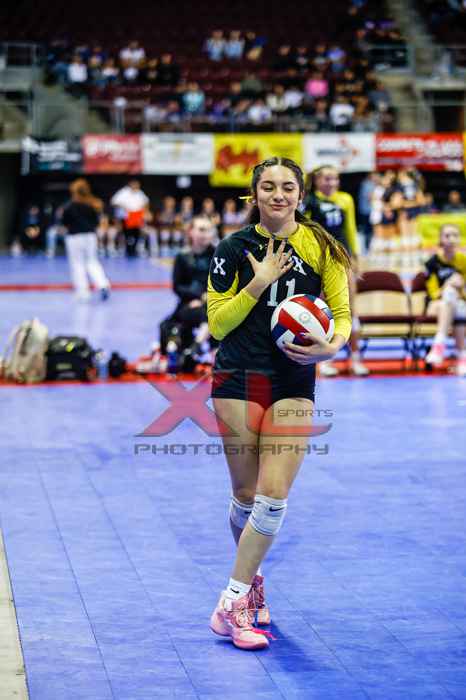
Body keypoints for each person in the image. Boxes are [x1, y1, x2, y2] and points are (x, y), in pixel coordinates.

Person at [207, 157, 351, 650]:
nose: (278, 195)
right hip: (238, 377)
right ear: (254, 195)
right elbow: (217, 325)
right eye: (267, 187)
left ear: (300, 195)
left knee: (273, 498)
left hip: (293, 378)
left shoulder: (322, 246)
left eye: (287, 186)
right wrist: (258, 281)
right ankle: (251, 586)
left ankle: (230, 603)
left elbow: (342, 313)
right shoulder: (233, 248)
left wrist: (332, 347)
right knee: (246, 496)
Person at [303, 165, 368, 376]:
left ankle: (355, 359)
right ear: (317, 180)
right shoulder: (310, 201)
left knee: (350, 310)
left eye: (335, 178)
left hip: (342, 258)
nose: (332, 183)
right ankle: (323, 361)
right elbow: (304, 231)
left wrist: (355, 256)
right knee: (323, 310)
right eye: (327, 179)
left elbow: (350, 228)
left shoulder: (345, 199)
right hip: (319, 261)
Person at [160, 216, 216, 356]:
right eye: (202, 230)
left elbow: (226, 283)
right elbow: (177, 286)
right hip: (188, 303)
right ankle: (187, 347)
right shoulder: (182, 256)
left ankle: (195, 348)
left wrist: (206, 298)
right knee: (167, 326)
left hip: (213, 303)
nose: (206, 234)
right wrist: (198, 296)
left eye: (209, 230)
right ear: (191, 232)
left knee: (210, 313)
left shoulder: (218, 255)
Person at [425, 223, 466, 376]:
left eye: (455, 235)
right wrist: (448, 285)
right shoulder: (432, 262)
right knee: (449, 295)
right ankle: (462, 357)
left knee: (459, 305)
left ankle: (439, 345)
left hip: (457, 304)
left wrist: (460, 287)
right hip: (434, 306)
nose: (451, 239)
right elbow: (433, 293)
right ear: (441, 239)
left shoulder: (463, 260)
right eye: (447, 236)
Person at [62, 179, 110, 301]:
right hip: (90, 236)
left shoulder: (69, 206)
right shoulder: (93, 205)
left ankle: (83, 293)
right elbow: (97, 222)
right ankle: (103, 284)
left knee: (77, 264)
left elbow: (64, 223)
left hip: (74, 237)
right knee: (92, 261)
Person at [111, 180, 150, 257]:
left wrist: (145, 210)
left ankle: (135, 249)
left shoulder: (140, 193)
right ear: (130, 185)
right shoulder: (123, 192)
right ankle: (128, 250)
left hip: (137, 216)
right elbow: (114, 202)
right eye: (135, 185)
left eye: (138, 186)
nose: (136, 187)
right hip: (126, 217)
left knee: (137, 234)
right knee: (128, 235)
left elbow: (146, 202)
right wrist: (124, 207)